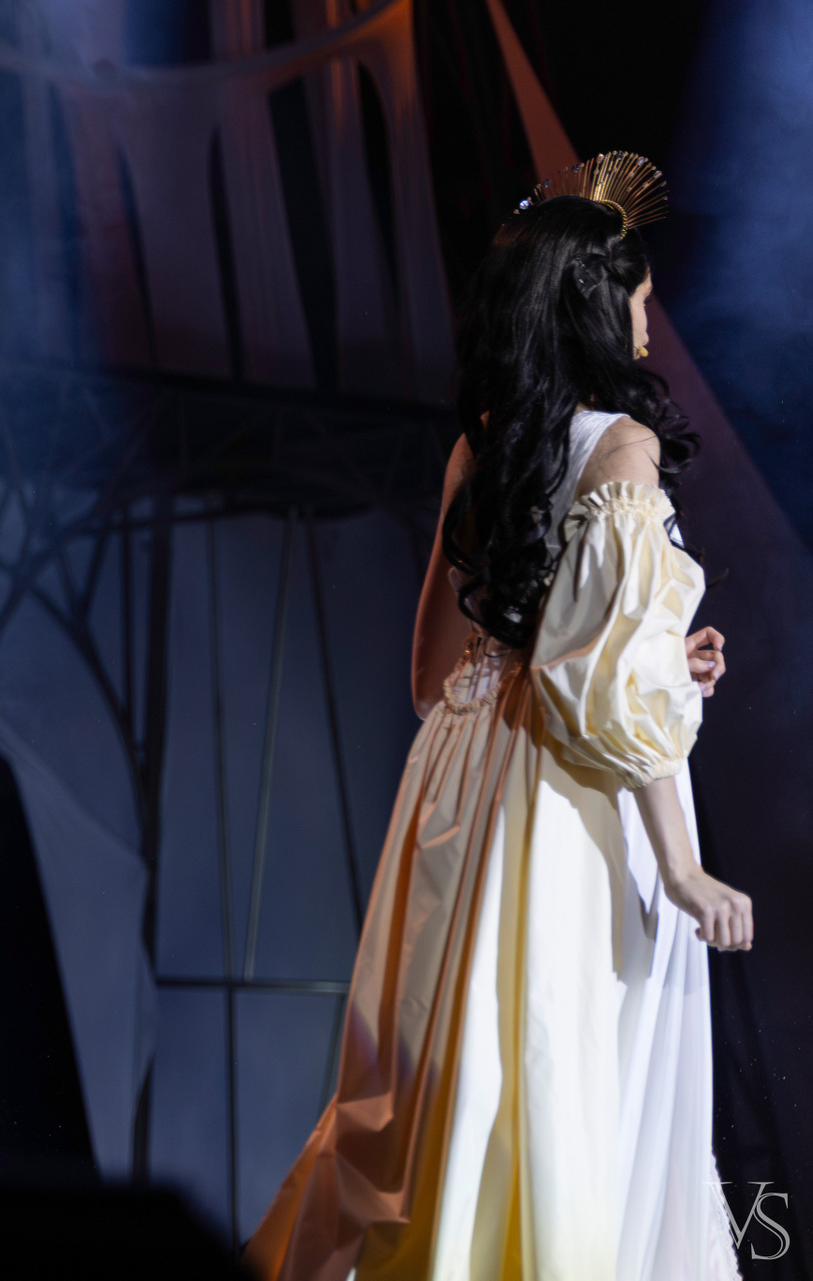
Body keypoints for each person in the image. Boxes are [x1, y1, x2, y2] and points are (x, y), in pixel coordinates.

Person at [245, 154, 749, 1279]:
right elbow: (611, 699)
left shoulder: (480, 445)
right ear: (597, 305)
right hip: (570, 809)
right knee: (565, 1076)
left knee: (438, 1078)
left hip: (459, 791)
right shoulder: (623, 448)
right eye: (639, 298)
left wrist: (653, 658)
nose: (647, 321)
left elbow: (432, 675)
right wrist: (681, 867)